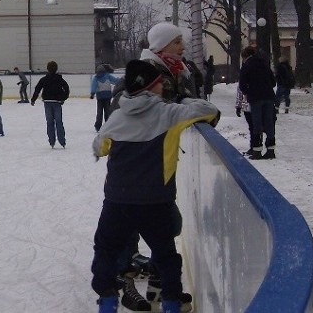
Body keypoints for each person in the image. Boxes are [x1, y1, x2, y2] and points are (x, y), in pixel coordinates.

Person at [91, 60, 219, 313]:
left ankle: (106, 301)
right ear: (153, 86)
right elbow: (209, 110)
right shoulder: (170, 114)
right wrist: (182, 101)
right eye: (161, 82)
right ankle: (171, 303)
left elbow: (99, 147)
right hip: (156, 201)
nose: (164, 85)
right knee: (166, 256)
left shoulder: (117, 117)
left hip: (118, 200)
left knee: (106, 251)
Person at [140, 22, 197, 103]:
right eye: (177, 42)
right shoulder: (145, 70)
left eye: (182, 41)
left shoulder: (181, 69)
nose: (183, 47)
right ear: (161, 46)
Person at [239, 46, 277, 160]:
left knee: (257, 124)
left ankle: (257, 151)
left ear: (244, 57)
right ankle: (271, 150)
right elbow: (273, 82)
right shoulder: (264, 64)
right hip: (269, 97)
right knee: (269, 123)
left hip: (255, 98)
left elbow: (242, 84)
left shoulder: (246, 66)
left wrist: (247, 92)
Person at [30, 60, 70, 148]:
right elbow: (66, 89)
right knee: (59, 122)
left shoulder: (44, 79)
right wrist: (63, 98)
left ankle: (52, 141)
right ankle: (62, 141)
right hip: (57, 102)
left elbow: (37, 89)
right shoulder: (60, 79)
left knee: (49, 122)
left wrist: (33, 100)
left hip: (47, 102)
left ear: (48, 69)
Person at [90, 64, 119, 132]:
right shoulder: (107, 76)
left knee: (100, 113)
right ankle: (107, 125)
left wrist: (92, 93)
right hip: (107, 97)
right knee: (107, 112)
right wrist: (122, 80)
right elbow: (115, 80)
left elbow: (94, 86)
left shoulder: (96, 78)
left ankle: (98, 126)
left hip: (100, 98)